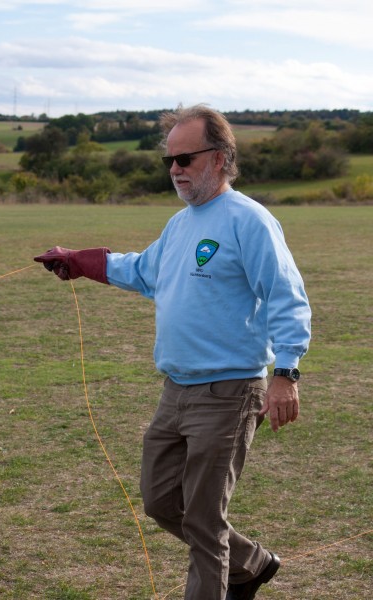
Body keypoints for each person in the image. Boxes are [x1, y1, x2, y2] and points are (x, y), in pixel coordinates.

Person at [34, 104, 311, 600]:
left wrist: (286, 373)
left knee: (204, 520)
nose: (175, 170)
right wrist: (78, 261)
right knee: (161, 500)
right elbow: (145, 272)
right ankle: (250, 563)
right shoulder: (181, 223)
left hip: (229, 392)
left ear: (220, 158)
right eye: (169, 161)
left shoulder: (250, 220)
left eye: (185, 159)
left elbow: (285, 296)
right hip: (176, 390)